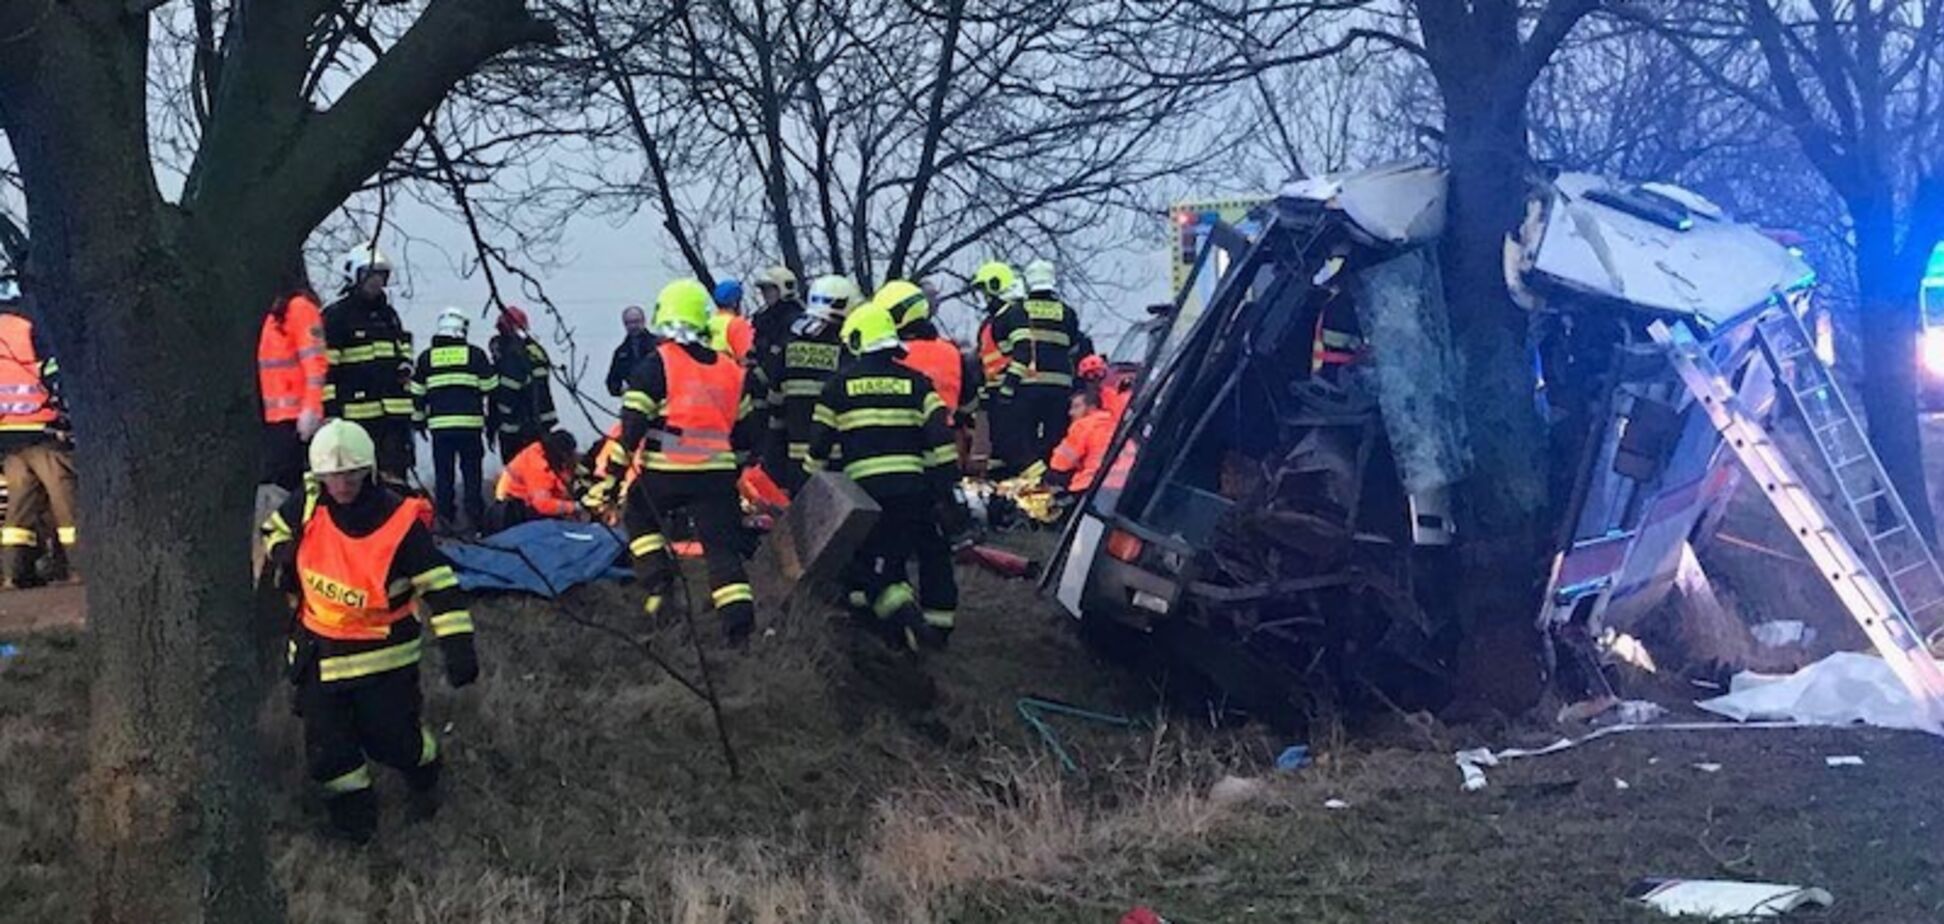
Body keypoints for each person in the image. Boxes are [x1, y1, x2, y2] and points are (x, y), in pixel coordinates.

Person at [259, 420, 478, 843]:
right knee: (329, 751)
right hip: (318, 652)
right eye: (332, 476)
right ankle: (355, 826)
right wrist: (281, 550)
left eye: (351, 473)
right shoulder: (306, 503)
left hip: (385, 658)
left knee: (393, 742)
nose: (341, 484)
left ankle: (425, 773)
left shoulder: (399, 522)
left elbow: (440, 587)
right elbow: (274, 529)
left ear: (369, 470)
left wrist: (458, 647)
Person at [589, 279, 765, 642]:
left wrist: (609, 481)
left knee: (638, 512)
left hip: (665, 474)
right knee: (722, 549)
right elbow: (747, 436)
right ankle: (740, 630)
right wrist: (733, 472)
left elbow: (631, 430)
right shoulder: (731, 370)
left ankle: (660, 590)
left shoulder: (657, 364)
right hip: (716, 478)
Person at [807, 299, 963, 651]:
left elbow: (818, 446)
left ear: (859, 339)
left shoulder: (837, 387)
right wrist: (945, 490)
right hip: (912, 492)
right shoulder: (919, 384)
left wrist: (809, 490)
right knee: (895, 555)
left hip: (862, 496)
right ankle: (905, 628)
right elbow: (940, 439)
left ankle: (899, 617)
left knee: (866, 562)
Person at [0, 275, 77, 588]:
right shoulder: (31, 329)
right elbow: (55, 373)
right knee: (68, 504)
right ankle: (81, 569)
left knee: (19, 507)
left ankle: (14, 573)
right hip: (44, 430)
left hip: (7, 435)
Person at [322, 243, 417, 487]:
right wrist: (331, 412)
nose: (376, 282)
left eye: (380, 276)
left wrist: (406, 365)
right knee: (361, 481)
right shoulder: (337, 316)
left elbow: (403, 351)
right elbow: (325, 370)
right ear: (355, 276)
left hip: (394, 419)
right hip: (356, 419)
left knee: (396, 483)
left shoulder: (389, 316)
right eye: (370, 275)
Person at [764, 274, 859, 494]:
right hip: (842, 470)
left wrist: (774, 473)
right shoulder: (850, 355)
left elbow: (774, 416)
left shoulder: (787, 351)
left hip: (795, 469)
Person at [992, 258, 1091, 468]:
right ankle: (1051, 475)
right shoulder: (1067, 313)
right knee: (1054, 437)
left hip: (1027, 385)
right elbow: (1073, 345)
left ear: (1028, 282)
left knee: (1025, 438)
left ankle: (1031, 480)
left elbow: (1005, 347)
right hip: (1059, 388)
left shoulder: (1017, 311)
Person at [412, 308, 497, 533]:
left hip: (440, 430)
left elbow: (417, 394)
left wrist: (419, 422)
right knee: (472, 477)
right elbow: (490, 387)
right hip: (470, 427)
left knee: (444, 476)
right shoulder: (475, 355)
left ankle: (446, 521)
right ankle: (475, 523)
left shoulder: (426, 358)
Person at [880, 279, 980, 469]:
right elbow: (969, 404)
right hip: (947, 445)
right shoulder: (951, 352)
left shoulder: (890, 354)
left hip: (899, 446)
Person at [257, 267, 328, 493]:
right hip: (277, 419)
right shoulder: (274, 314)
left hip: (295, 420)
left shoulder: (300, 309)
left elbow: (315, 363)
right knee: (278, 483)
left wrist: (311, 409)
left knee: (287, 485)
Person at [971, 261, 1025, 476]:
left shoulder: (1014, 314)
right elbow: (987, 363)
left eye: (986, 291)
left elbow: (1023, 352)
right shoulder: (994, 320)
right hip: (996, 395)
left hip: (1013, 395)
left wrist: (1009, 385)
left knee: (1015, 451)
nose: (985, 297)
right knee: (998, 452)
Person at [489, 306, 558, 464]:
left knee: (518, 470)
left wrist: (499, 416)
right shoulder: (535, 349)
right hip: (541, 420)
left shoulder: (513, 353)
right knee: (539, 465)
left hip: (518, 424)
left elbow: (509, 387)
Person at [493, 430, 582, 528]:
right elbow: (542, 505)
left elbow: (559, 479)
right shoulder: (538, 467)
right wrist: (574, 507)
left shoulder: (546, 452)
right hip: (514, 504)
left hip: (528, 496)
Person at [1045, 385, 1115, 497]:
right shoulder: (1113, 423)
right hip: (1118, 484)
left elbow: (1060, 464)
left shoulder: (1083, 425)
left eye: (1076, 407)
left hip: (1091, 483)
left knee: (1051, 479)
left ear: (1092, 408)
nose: (1071, 413)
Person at [605, 305, 653, 398]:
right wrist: (620, 389)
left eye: (636, 321)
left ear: (643, 321)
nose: (633, 326)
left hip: (658, 403)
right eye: (628, 323)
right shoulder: (621, 353)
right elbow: (611, 382)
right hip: (633, 406)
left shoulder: (658, 346)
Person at [710, 278, 755, 363]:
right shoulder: (737, 323)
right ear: (735, 303)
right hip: (729, 372)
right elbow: (745, 357)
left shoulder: (708, 323)